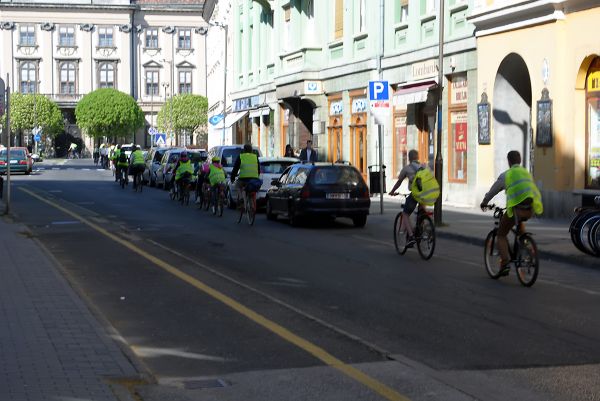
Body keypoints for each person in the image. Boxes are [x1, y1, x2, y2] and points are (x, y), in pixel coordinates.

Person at [480, 150, 543, 275]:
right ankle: (528, 250)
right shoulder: (526, 173)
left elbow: (493, 191)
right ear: (519, 161)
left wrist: (484, 202)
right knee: (520, 232)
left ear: (509, 161)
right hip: (530, 210)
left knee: (501, 234)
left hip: (516, 211)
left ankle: (505, 263)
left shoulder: (507, 175)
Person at [388, 149, 425, 247]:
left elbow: (399, 182)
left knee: (405, 214)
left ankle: (412, 236)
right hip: (426, 193)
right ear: (417, 157)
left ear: (409, 158)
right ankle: (422, 229)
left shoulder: (407, 168)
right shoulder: (424, 166)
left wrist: (392, 191)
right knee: (422, 212)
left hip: (415, 194)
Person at [230, 143, 261, 210]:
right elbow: (258, 169)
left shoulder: (241, 156)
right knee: (250, 189)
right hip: (254, 178)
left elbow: (235, 169)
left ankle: (241, 198)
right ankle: (252, 206)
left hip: (243, 178)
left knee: (237, 186)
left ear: (244, 150)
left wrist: (232, 178)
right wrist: (256, 176)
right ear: (251, 150)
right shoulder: (255, 157)